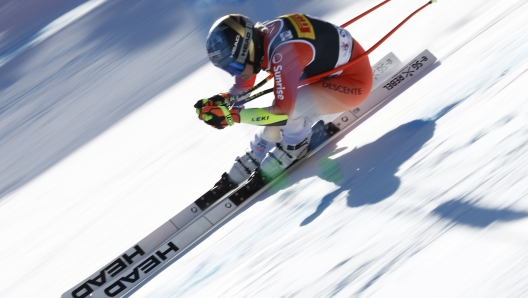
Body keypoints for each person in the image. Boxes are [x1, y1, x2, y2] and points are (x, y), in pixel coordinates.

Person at [195, 13, 373, 184]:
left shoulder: (283, 54)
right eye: (230, 69)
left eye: (234, 65)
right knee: (284, 113)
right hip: (335, 75)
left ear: (247, 50)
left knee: (290, 109)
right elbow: (244, 86)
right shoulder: (262, 38)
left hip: (354, 85)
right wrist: (223, 100)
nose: (236, 72)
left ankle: (296, 145)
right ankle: (278, 137)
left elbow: (282, 113)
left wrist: (233, 116)